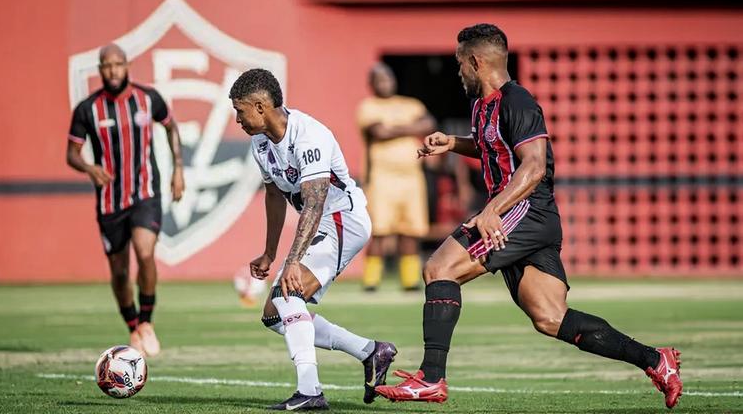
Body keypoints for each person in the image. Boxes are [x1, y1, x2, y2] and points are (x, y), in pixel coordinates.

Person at [375, 24, 683, 409]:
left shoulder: (518, 101)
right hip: (528, 216)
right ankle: (656, 360)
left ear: (476, 62)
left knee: (440, 269)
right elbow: (494, 147)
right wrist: (452, 143)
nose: (458, 71)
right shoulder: (482, 105)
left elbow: (534, 166)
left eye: (460, 63)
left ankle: (431, 378)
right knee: (550, 317)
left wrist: (492, 210)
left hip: (525, 211)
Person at [231, 68, 397, 411]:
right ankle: (371, 351)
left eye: (240, 110)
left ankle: (310, 391)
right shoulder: (260, 143)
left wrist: (292, 262)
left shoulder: (309, 135)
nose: (237, 119)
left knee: (288, 294)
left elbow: (315, 203)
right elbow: (274, 195)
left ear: (260, 107)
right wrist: (270, 253)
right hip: (322, 223)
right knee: (274, 314)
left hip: (342, 219)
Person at [66, 44, 185, 357]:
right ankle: (132, 326)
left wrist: (178, 169)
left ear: (127, 65)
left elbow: (171, 127)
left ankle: (146, 321)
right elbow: (71, 154)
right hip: (110, 200)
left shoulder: (148, 99)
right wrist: (89, 168)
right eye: (107, 65)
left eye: (118, 64)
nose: (113, 70)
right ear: (100, 69)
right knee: (119, 271)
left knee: (145, 253)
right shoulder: (88, 109)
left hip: (145, 193)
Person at [357, 63, 436, 291]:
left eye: (388, 78)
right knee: (379, 230)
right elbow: (379, 132)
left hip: (412, 177)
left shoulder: (411, 104)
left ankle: (409, 280)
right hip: (382, 177)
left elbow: (429, 123)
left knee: (410, 230)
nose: (385, 83)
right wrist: (412, 127)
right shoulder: (368, 107)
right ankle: (371, 281)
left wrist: (395, 128)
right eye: (380, 80)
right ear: (372, 84)